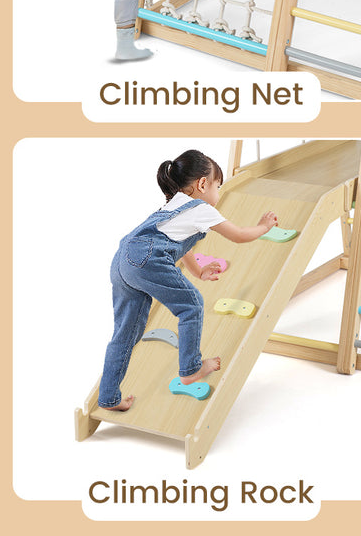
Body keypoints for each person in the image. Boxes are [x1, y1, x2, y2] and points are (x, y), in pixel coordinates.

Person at [97, 150, 279, 411]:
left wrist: (197, 272)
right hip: (146, 260)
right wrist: (263, 226)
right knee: (191, 305)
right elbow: (238, 235)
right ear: (203, 184)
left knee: (125, 334)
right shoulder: (201, 208)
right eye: (218, 186)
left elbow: (179, 244)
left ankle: (109, 398)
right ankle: (191, 369)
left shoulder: (172, 204)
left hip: (123, 260)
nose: (218, 192)